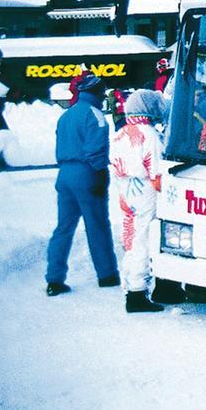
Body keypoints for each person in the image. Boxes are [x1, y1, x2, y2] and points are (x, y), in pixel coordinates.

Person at [110, 90, 184, 312]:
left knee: (132, 238)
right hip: (147, 193)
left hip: (127, 191)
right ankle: (138, 293)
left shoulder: (120, 132)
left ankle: (133, 286)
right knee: (147, 239)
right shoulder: (150, 135)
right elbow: (157, 170)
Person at [45, 73, 120, 296]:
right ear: (96, 92)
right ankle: (107, 275)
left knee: (63, 227)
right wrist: (100, 175)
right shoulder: (94, 114)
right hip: (86, 172)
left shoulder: (66, 116)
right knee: (97, 225)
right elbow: (95, 150)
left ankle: (54, 279)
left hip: (65, 173)